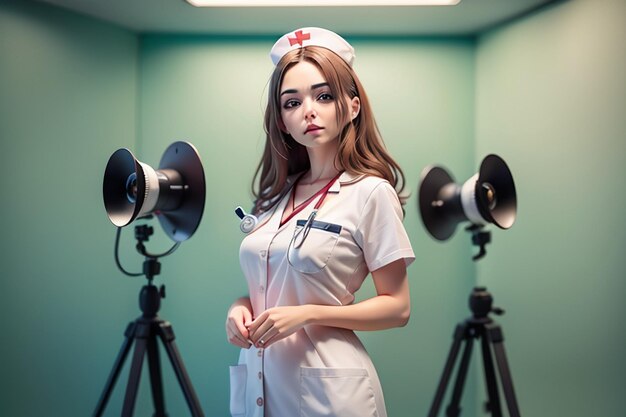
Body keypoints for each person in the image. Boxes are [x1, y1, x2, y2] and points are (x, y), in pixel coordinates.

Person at [226, 27, 415, 417]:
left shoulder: (370, 193)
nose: (308, 110)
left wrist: (309, 314)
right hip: (262, 383)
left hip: (330, 392)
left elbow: (397, 308)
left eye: (323, 96)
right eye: (291, 102)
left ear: (352, 106)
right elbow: (273, 284)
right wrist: (239, 307)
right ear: (281, 120)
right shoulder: (275, 195)